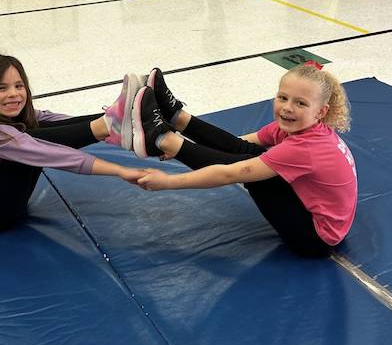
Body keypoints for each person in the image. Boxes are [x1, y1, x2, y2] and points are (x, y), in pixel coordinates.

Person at [132, 62, 357, 258]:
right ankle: (178, 118)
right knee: (250, 155)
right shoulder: (299, 126)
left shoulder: (305, 149)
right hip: (316, 215)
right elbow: (238, 144)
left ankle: (162, 139)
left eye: (300, 103)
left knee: (258, 176)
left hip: (314, 241)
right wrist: (191, 148)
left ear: (320, 112)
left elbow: (231, 173)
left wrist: (168, 181)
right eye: (283, 98)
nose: (287, 107)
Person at [0, 52, 146, 233]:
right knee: (30, 144)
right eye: (1, 88)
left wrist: (108, 119)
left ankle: (119, 119)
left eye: (18, 86)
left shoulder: (7, 117)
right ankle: (112, 124)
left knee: (36, 128)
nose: (13, 93)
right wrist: (120, 170)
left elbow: (60, 122)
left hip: (3, 202)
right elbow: (52, 154)